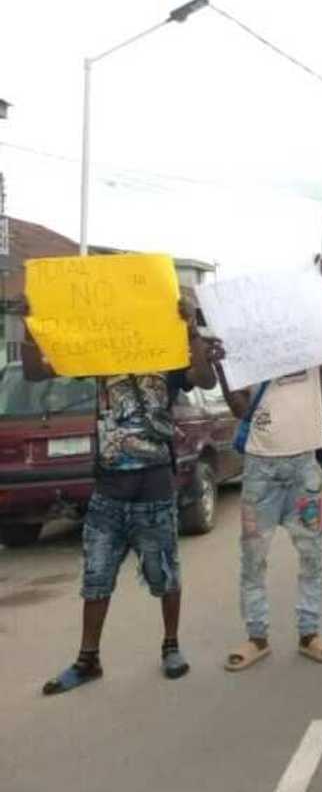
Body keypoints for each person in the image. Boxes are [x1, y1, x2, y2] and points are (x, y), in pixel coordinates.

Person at [18, 295, 222, 694]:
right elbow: (34, 372)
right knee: (96, 578)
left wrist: (190, 329)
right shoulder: (98, 358)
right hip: (109, 490)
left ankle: (171, 647)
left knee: (164, 571)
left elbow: (205, 379)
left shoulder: (167, 355)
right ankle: (87, 659)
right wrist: (29, 323)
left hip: (155, 486)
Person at [219, 257, 322, 672]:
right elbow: (240, 408)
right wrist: (221, 365)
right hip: (260, 469)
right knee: (253, 558)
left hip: (303, 468)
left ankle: (309, 632)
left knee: (311, 555)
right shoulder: (249, 349)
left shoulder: (313, 343)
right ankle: (257, 637)